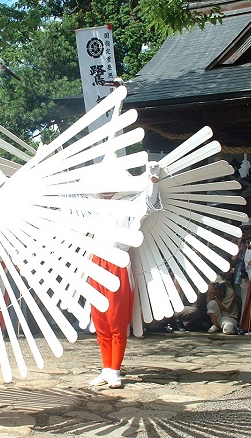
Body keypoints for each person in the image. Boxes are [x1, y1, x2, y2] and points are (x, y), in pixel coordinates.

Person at [88, 162, 161, 389]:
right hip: (96, 262)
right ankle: (106, 367)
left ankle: (115, 369)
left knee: (116, 318)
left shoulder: (130, 204)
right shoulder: (91, 206)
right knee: (100, 318)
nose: (107, 190)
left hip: (118, 261)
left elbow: (149, 204)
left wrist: (153, 181)